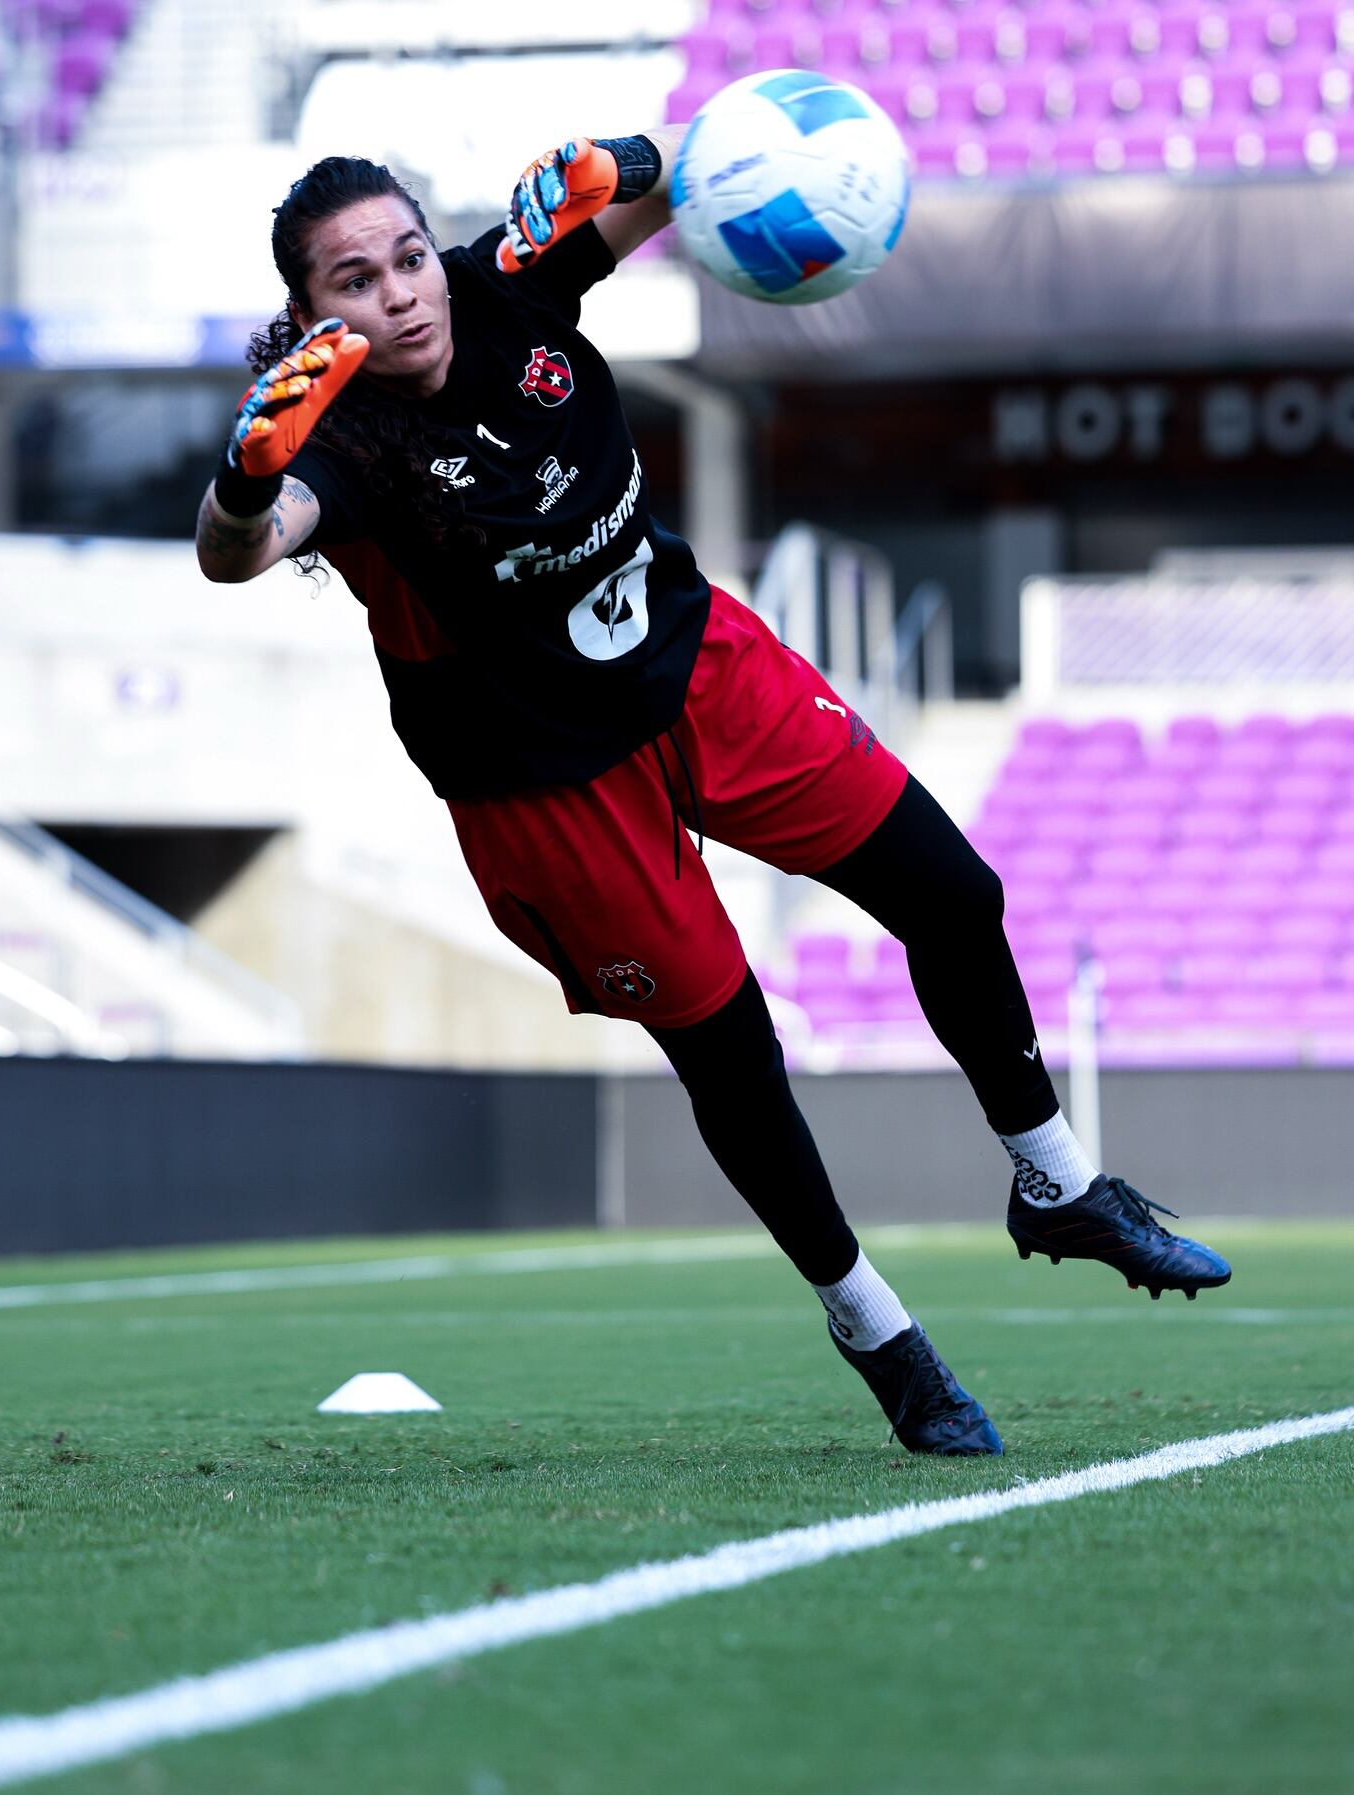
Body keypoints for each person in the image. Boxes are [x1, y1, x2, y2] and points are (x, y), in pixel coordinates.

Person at [196, 134, 1231, 1457]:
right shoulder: (340, 435)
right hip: (549, 787)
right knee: (734, 1049)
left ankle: (1060, 1184)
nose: (400, 294)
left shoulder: (504, 285)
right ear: (310, 316)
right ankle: (877, 1331)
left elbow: (694, 178)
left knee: (952, 894)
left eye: (408, 256)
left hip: (700, 671)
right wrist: (244, 482)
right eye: (356, 282)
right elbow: (237, 554)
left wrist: (631, 154)